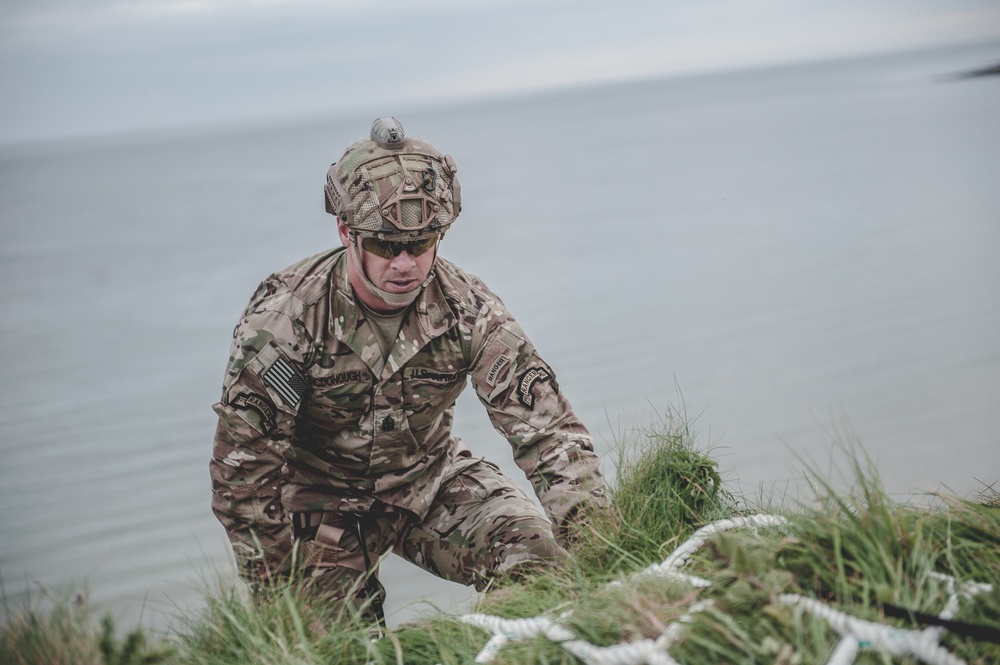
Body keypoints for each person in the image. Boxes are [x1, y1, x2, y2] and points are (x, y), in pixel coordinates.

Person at [209, 117, 607, 623]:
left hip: (430, 481)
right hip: (320, 506)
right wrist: (277, 600)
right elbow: (244, 475)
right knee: (336, 647)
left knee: (537, 559)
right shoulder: (286, 320)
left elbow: (548, 435)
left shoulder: (469, 308)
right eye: (383, 245)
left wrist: (601, 551)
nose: (404, 264)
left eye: (421, 244)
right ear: (345, 231)